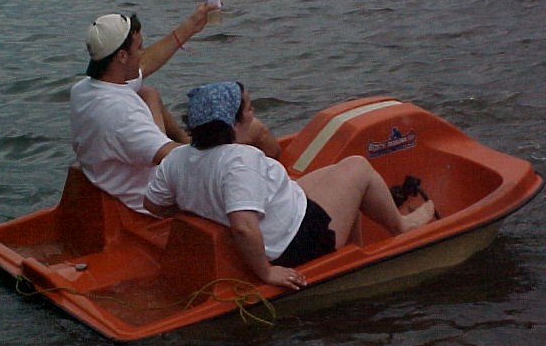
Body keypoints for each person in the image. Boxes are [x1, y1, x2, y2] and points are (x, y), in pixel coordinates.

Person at [144, 82, 436, 290]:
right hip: (298, 241)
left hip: (283, 216)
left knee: (337, 171)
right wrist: (267, 272)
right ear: (232, 124)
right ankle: (401, 227)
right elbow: (243, 226)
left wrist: (199, 202)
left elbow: (153, 205)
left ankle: (353, 252)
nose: (253, 112)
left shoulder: (177, 159)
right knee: (358, 167)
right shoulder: (240, 160)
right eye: (248, 108)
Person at [70, 4, 280, 215]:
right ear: (122, 56)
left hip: (114, 177)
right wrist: (224, 141)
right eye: (139, 48)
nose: (143, 53)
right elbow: (174, 161)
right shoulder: (121, 115)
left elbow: (146, 64)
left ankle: (185, 139)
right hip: (154, 198)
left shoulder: (84, 88)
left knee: (149, 93)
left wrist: (191, 26)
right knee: (255, 129)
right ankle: (278, 187)